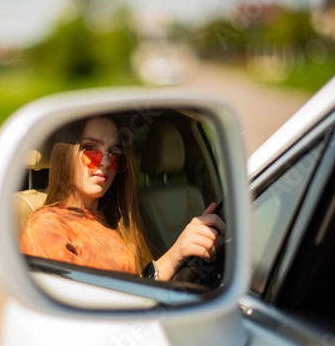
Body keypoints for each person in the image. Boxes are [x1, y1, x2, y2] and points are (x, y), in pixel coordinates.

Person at [21, 115, 225, 282]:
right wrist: (174, 255)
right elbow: (78, 311)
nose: (107, 162)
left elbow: (137, 286)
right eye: (91, 150)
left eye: (114, 153)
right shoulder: (46, 226)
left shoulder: (118, 218)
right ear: (65, 155)